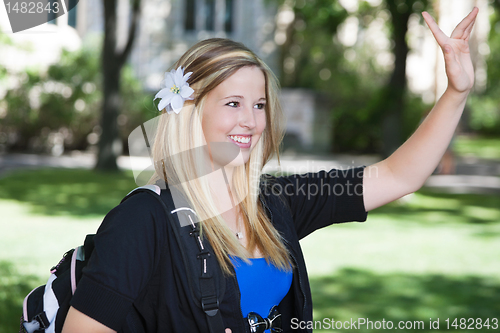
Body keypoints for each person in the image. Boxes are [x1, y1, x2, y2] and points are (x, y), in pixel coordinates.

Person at [62, 7, 478, 333]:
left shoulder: (275, 203)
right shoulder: (144, 220)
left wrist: (456, 92)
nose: (251, 120)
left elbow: (397, 176)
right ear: (191, 112)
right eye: (233, 104)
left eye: (258, 105)